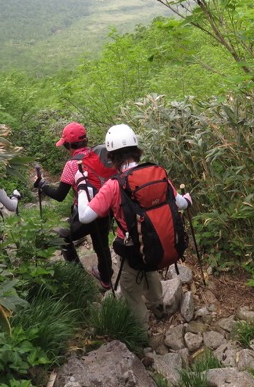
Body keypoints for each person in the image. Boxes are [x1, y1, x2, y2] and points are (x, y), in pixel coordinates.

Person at [74, 123, 192, 328]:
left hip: (131, 248)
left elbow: (84, 216)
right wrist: (188, 199)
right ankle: (158, 307)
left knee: (130, 289)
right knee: (150, 271)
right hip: (155, 242)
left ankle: (141, 330)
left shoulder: (113, 185)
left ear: (111, 156)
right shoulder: (158, 173)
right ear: (137, 150)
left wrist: (82, 185)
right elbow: (181, 203)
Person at [35, 122, 115, 290]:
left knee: (63, 236)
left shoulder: (71, 165)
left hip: (85, 213)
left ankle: (78, 273)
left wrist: (42, 185)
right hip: (104, 210)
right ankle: (106, 279)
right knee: (101, 245)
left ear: (69, 145)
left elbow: (59, 195)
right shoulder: (99, 155)